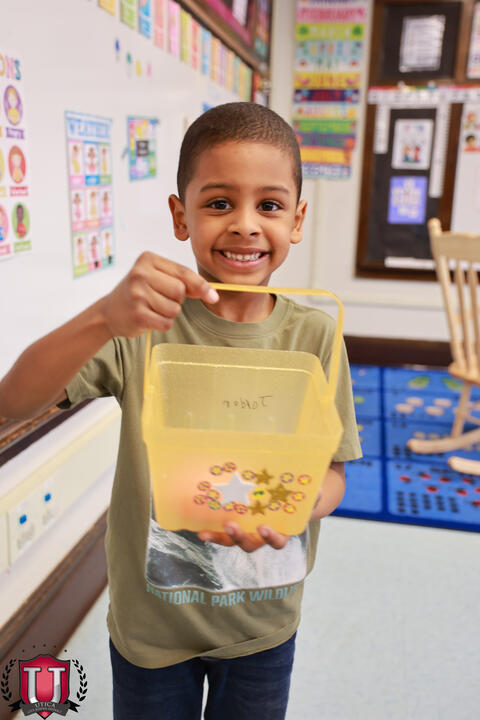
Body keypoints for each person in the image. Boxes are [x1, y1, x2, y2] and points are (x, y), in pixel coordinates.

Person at [0, 102, 361, 720]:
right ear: (180, 215)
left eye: (269, 205)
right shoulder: (140, 326)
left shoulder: (316, 337)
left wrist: (300, 503)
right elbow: (12, 405)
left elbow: (332, 472)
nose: (246, 225)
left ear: (297, 219)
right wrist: (101, 319)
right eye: (219, 203)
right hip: (152, 631)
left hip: (262, 624)